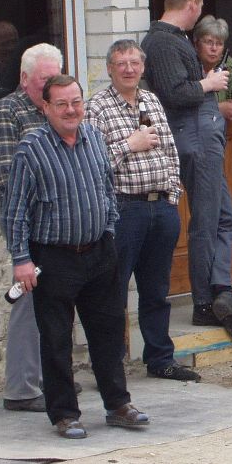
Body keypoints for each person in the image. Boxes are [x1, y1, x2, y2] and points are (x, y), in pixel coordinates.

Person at [3, 74, 149, 439]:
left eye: (76, 102)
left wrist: (109, 231)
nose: (71, 110)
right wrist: (21, 260)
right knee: (56, 340)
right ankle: (65, 414)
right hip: (54, 258)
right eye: (62, 104)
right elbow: (15, 211)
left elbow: (107, 190)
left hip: (99, 252)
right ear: (46, 108)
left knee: (108, 333)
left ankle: (118, 405)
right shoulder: (31, 149)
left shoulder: (95, 139)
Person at [142, 0, 232, 343]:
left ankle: (221, 290)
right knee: (206, 223)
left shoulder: (174, 39)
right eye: (201, 5)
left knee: (225, 219)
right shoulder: (162, 41)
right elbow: (174, 93)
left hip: (204, 137)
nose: (200, 11)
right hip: (194, 140)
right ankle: (204, 302)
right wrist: (209, 84)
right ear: (192, 4)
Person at [85, 39, 200, 382]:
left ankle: (160, 359)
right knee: (113, 292)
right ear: (109, 69)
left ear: (143, 67)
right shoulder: (97, 108)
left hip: (161, 208)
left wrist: (172, 194)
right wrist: (129, 145)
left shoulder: (151, 100)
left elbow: (170, 151)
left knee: (156, 290)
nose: (129, 69)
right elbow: (91, 163)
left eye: (134, 63)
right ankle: (111, 366)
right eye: (121, 63)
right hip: (124, 210)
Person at [0, 43, 63, 413]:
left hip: (58, 221)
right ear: (24, 78)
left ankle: (47, 377)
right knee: (28, 300)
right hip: (26, 220)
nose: (51, 87)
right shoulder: (7, 111)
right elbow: (3, 180)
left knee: (54, 300)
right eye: (44, 80)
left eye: (56, 79)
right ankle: (21, 389)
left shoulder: (57, 110)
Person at [193, 15, 232, 123]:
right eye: (209, 42)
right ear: (196, 44)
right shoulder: (188, 64)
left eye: (219, 44)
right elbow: (183, 104)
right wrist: (219, 108)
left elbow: (229, 96)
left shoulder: (228, 65)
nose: (214, 48)